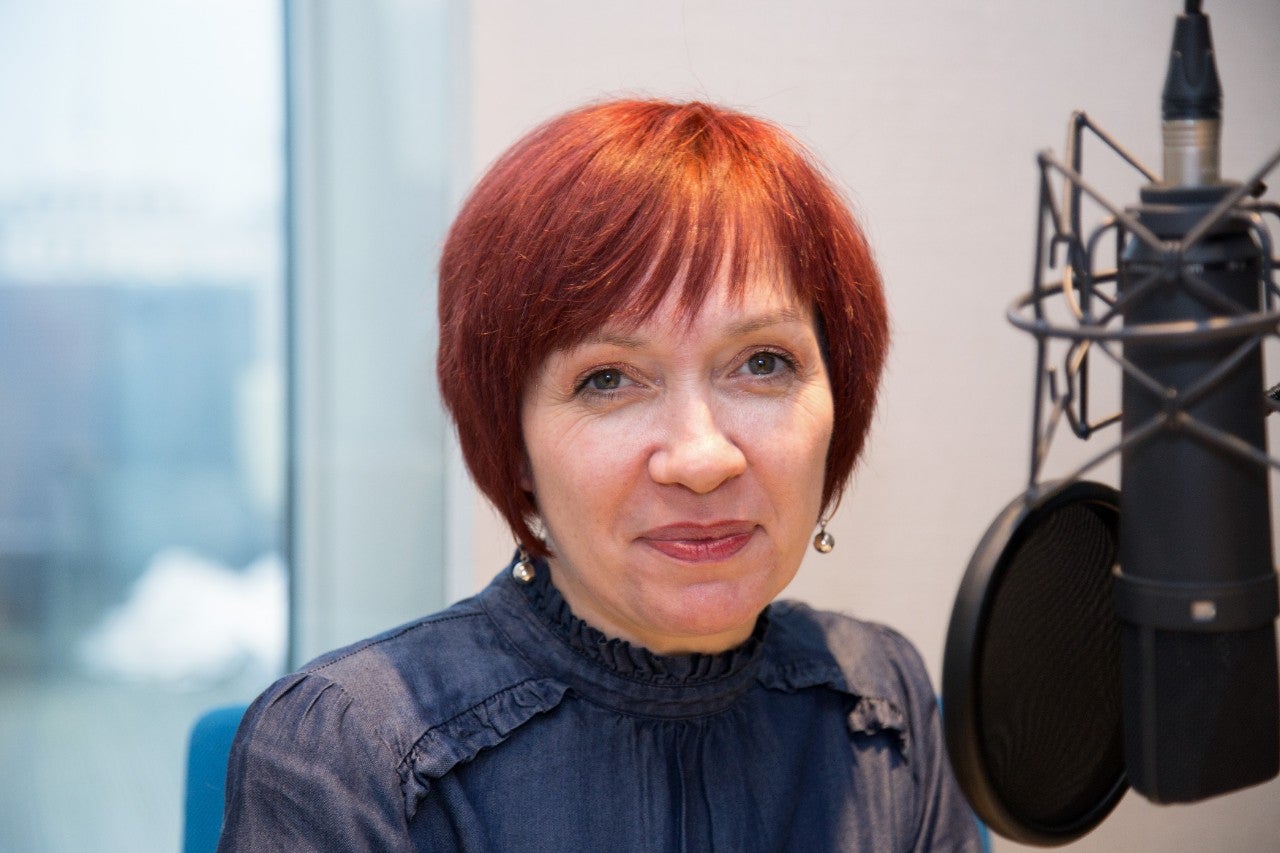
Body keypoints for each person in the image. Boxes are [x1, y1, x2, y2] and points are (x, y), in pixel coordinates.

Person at [218, 98, 982, 851]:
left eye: (762, 363)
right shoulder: (351, 759)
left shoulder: (880, 708)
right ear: (513, 445)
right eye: (608, 379)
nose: (701, 458)